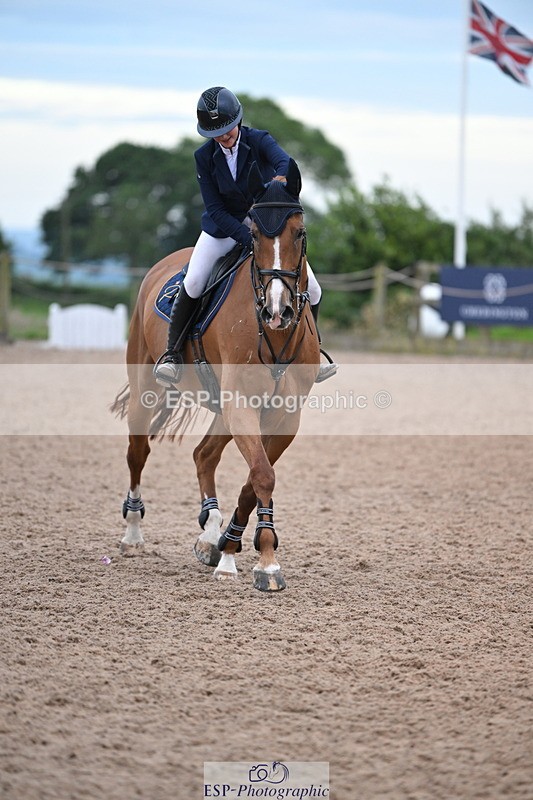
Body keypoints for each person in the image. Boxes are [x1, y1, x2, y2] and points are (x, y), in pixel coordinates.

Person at [154, 86, 337, 385]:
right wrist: (246, 237)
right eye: (217, 133)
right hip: (224, 229)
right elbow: (214, 209)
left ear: (238, 120)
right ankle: (172, 354)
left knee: (313, 289)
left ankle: (312, 353)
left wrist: (276, 187)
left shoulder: (259, 140)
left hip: (267, 227)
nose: (224, 136)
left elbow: (285, 164)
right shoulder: (204, 157)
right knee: (195, 280)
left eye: (228, 129)